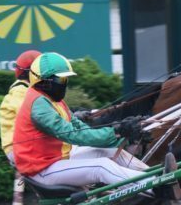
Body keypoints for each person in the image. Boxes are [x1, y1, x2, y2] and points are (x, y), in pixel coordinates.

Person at [12, 52, 153, 189]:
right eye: (61, 79)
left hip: (55, 160)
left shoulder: (54, 100)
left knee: (107, 151)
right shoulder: (38, 104)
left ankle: (153, 175)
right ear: (44, 81)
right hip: (41, 170)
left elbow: (82, 129)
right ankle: (152, 185)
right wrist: (116, 131)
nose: (65, 83)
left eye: (66, 79)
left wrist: (123, 135)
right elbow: (73, 134)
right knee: (101, 166)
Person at [0, 49, 41, 165]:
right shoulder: (20, 91)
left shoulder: (28, 90)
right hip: (19, 149)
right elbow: (36, 115)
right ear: (31, 73)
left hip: (24, 146)